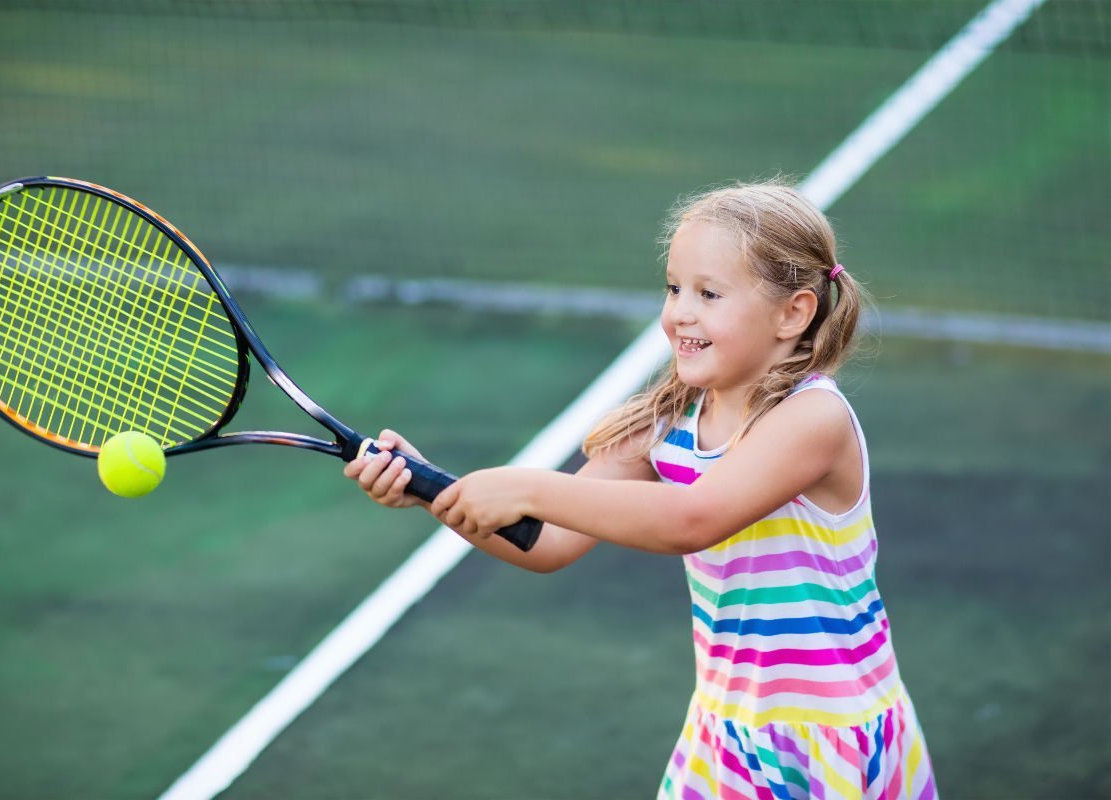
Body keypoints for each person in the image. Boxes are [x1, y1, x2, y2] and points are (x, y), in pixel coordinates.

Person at [344, 181, 937, 799]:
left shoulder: (811, 418)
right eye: (674, 288)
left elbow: (691, 519)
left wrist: (527, 487)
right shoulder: (668, 419)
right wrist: (428, 490)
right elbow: (546, 544)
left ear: (793, 313)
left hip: (832, 739)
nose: (681, 312)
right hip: (721, 738)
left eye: (709, 294)